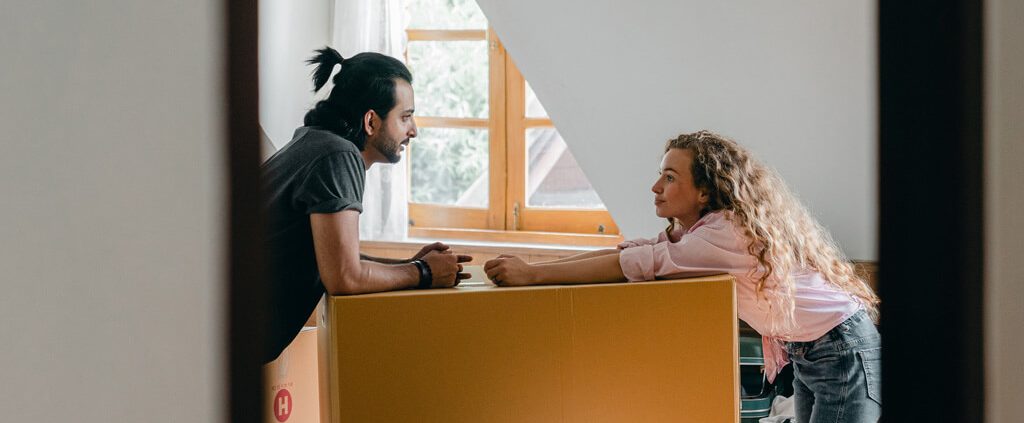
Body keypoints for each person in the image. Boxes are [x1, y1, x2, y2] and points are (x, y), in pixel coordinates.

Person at [484, 130, 882, 422]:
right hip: (815, 348)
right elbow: (629, 253)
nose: (655, 187)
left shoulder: (722, 234)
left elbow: (630, 267)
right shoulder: (695, 233)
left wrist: (532, 276)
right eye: (661, 174)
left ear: (705, 191)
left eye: (670, 177)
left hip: (840, 348)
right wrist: (534, 270)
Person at [261, 47, 471, 363]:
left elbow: (334, 258)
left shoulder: (313, 142)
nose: (413, 131)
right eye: (406, 117)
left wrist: (405, 265)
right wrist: (423, 273)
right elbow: (344, 276)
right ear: (371, 121)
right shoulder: (337, 155)